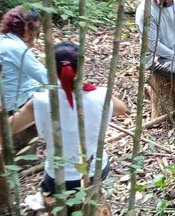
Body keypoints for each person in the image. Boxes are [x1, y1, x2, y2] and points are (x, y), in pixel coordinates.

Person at [33, 41, 129, 194]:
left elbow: (13, 126)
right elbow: (122, 108)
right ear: (81, 67)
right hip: (95, 172)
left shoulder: (41, 100)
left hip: (58, 178)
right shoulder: (99, 95)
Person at [0, 6, 47, 132]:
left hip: (11, 98)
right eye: (32, 29)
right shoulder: (15, 48)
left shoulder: (0, 41)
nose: (34, 34)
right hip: (19, 101)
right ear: (21, 27)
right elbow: (42, 75)